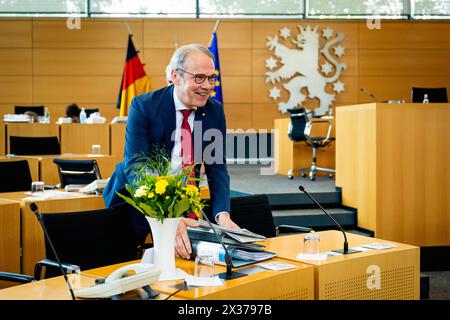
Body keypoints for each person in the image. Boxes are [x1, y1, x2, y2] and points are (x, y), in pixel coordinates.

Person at [103, 44, 240, 260]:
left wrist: (223, 215)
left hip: (182, 201)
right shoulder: (144, 106)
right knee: (126, 267)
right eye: (199, 78)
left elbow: (217, 169)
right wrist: (167, 217)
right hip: (136, 200)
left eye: (211, 78)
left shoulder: (214, 111)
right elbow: (138, 167)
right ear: (175, 76)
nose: (207, 86)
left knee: (184, 265)